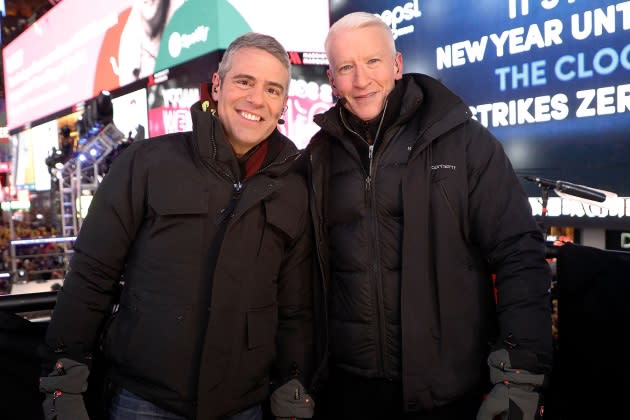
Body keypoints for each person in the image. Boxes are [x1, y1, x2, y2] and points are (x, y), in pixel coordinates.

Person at [39, 32, 315, 420]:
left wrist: (294, 381)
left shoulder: (294, 187)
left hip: (243, 405)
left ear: (283, 103)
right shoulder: (147, 164)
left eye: (273, 89)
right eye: (244, 81)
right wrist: (63, 379)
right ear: (217, 86)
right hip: (143, 402)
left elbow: (295, 307)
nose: (257, 99)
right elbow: (90, 276)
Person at [304, 12, 553, 420]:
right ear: (331, 78)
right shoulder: (317, 156)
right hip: (347, 392)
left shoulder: (461, 139)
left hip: (449, 389)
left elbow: (518, 252)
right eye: (346, 67)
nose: (361, 80)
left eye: (373, 62)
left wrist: (521, 372)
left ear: (397, 65)